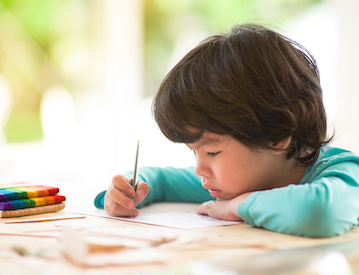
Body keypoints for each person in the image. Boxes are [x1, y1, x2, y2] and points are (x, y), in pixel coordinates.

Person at [94, 24, 359, 238]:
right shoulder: (237, 178)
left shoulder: (341, 171)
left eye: (212, 151)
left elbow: (319, 212)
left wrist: (237, 207)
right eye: (193, 152)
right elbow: (160, 181)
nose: (199, 169)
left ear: (276, 136)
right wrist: (128, 188)